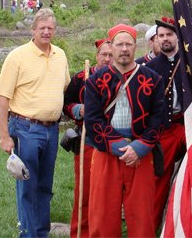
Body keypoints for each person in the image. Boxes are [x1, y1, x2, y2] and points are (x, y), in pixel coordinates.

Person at [0, 8, 70, 238]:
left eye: (50, 28)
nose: (46, 32)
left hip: (52, 129)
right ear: (33, 30)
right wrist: (5, 136)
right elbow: (2, 98)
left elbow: (64, 86)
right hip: (25, 129)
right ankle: (28, 235)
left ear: (55, 31)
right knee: (28, 187)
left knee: (44, 187)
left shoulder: (60, 55)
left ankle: (41, 233)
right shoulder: (17, 57)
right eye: (42, 28)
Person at [84, 24, 165, 238]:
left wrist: (138, 147)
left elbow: (158, 119)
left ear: (135, 47)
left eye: (128, 44)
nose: (124, 48)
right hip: (106, 152)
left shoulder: (153, 79)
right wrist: (121, 148)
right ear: (111, 46)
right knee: (102, 215)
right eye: (119, 44)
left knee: (141, 216)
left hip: (141, 153)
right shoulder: (95, 81)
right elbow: (93, 121)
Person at [63, 37, 114, 238]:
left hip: (113, 144)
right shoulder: (80, 78)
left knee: (106, 195)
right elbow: (65, 104)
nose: (108, 59)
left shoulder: (122, 77)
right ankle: (80, 234)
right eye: (104, 55)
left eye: (111, 55)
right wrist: (78, 109)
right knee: (84, 192)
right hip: (87, 143)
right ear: (96, 56)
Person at [146, 17, 186, 230]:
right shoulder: (150, 68)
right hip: (164, 131)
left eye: (169, 34)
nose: (165, 39)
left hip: (187, 126)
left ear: (177, 37)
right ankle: (150, 231)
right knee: (158, 181)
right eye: (161, 36)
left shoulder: (191, 63)